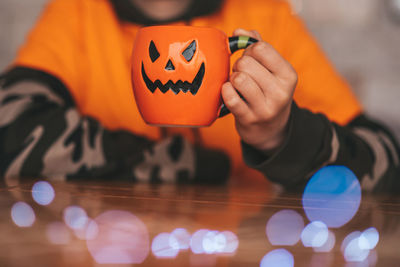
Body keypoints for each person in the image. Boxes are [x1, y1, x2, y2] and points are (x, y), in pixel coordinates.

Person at [0, 0, 399, 192]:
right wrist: (184, 165)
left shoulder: (264, 16)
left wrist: (282, 136)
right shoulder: (78, 13)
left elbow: (385, 163)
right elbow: (9, 130)